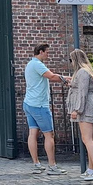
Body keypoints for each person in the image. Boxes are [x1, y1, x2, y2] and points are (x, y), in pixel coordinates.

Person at [24, 43, 70, 175]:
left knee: (33, 134)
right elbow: (51, 76)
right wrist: (67, 79)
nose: (48, 54)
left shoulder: (29, 64)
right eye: (47, 52)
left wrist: (64, 78)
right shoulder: (38, 64)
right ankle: (52, 166)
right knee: (49, 135)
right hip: (39, 105)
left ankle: (36, 164)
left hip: (29, 103)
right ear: (41, 51)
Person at [67, 48, 93, 181]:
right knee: (89, 140)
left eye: (71, 60)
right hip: (88, 108)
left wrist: (77, 110)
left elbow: (83, 93)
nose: (70, 63)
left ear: (75, 60)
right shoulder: (84, 72)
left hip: (87, 109)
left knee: (87, 140)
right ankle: (91, 168)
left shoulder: (82, 72)